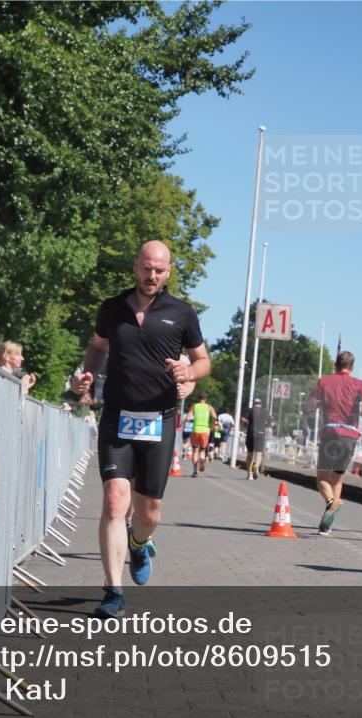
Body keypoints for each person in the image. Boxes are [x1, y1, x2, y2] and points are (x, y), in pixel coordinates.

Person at [71, 240, 210, 618]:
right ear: (136, 267)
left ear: (169, 272)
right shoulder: (112, 308)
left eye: (160, 270)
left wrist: (189, 372)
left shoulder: (181, 313)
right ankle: (113, 591)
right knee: (116, 501)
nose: (152, 276)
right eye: (147, 268)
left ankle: (138, 542)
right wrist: (88, 375)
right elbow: (97, 346)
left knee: (150, 512)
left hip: (159, 419)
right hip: (117, 415)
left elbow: (202, 362)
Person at [306, 350, 362, 535]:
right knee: (337, 479)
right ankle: (327, 525)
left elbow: (311, 404)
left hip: (331, 433)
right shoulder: (360, 383)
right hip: (350, 436)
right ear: (352, 367)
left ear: (336, 364)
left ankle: (330, 502)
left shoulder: (324, 381)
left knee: (322, 479)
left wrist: (317, 405)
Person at [185, 393, 217, 477]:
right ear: (206, 399)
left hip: (196, 430)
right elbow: (214, 416)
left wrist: (192, 421)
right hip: (205, 430)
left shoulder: (194, 406)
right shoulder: (209, 407)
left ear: (198, 399)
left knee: (195, 450)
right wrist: (212, 424)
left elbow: (187, 418)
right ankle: (202, 459)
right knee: (202, 450)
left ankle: (195, 471)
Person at [241, 398, 267, 480]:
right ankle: (256, 466)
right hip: (261, 434)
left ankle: (250, 474)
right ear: (261, 404)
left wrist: (246, 424)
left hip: (251, 433)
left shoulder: (250, 410)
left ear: (254, 404)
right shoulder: (265, 411)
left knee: (250, 454)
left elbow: (242, 419)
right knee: (259, 454)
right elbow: (271, 423)